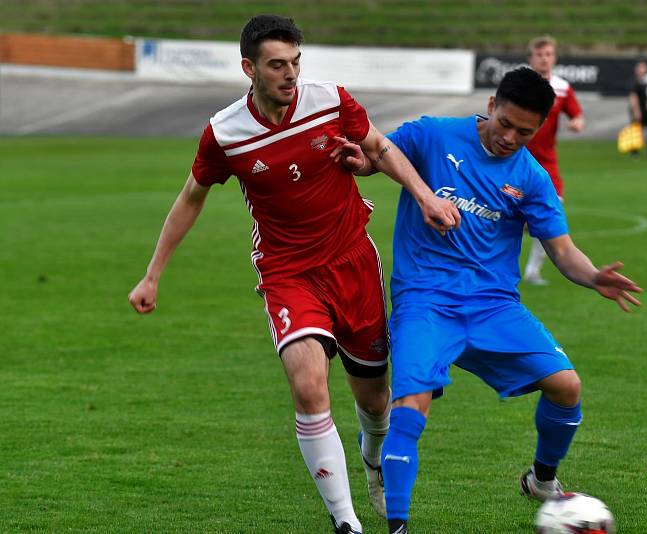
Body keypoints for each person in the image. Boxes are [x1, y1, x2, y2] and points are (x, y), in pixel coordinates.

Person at [126, 14, 460, 534]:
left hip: (352, 261)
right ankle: (345, 521)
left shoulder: (331, 101)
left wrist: (424, 195)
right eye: (277, 65)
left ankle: (372, 460)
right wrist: (152, 274)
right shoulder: (225, 133)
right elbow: (190, 198)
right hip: (288, 273)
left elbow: (379, 149)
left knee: (374, 399)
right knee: (308, 386)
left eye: (295, 62)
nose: (290, 74)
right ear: (249, 69)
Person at [339, 67, 642, 533]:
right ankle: (397, 525)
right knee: (410, 409)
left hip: (493, 306)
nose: (510, 138)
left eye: (525, 132)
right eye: (505, 124)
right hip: (425, 301)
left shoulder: (531, 178)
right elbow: (379, 155)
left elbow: (562, 250)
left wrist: (593, 275)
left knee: (567, 386)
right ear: (491, 106)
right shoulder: (433, 135)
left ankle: (542, 480)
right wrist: (360, 163)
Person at [522, 35, 586, 286]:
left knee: (550, 215)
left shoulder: (562, 88)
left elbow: (578, 115)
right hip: (516, 161)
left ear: (554, 58)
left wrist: (577, 123)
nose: (544, 58)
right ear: (531, 58)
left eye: (548, 54)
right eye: (539, 54)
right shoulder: (519, 84)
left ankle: (533, 271)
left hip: (547, 165)